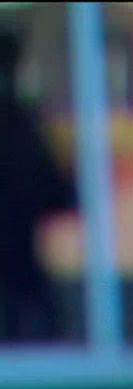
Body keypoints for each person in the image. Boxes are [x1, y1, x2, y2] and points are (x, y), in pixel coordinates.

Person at [0, 28, 77, 343]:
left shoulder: (23, 125)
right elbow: (59, 194)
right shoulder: (22, 126)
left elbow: (58, 194)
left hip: (20, 268)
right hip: (21, 270)